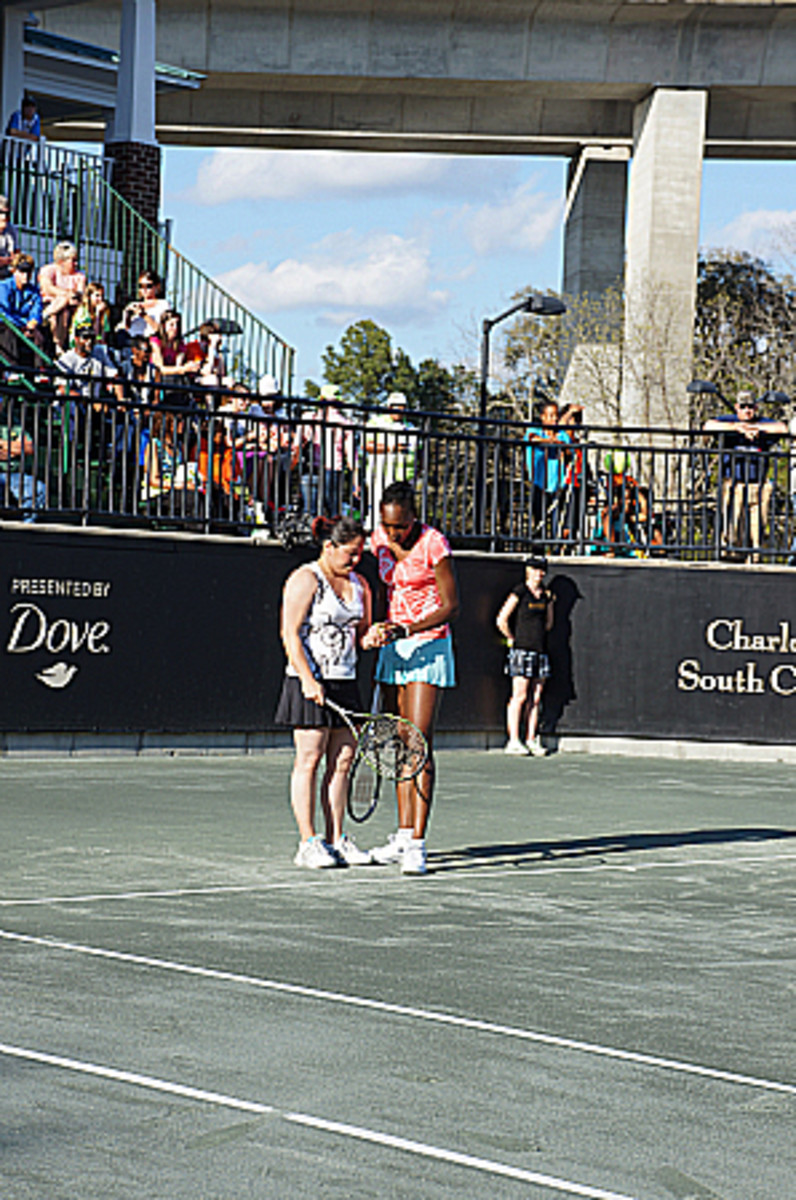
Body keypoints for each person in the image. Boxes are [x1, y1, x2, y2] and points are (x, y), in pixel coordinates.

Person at [275, 514, 385, 869]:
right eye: (350, 553)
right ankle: (308, 842)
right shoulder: (305, 579)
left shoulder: (361, 585)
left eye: (360, 554)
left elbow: (363, 634)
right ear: (329, 547)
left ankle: (337, 839)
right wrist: (308, 679)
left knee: (342, 763)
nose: (356, 560)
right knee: (309, 760)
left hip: (345, 680)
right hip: (307, 681)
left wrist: (373, 636)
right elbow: (289, 634)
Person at [368, 481, 459, 876]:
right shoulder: (379, 541)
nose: (392, 534)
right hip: (394, 648)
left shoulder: (434, 544)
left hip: (428, 646)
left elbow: (452, 605)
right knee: (398, 743)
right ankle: (403, 834)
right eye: (387, 526)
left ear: (413, 518)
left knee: (417, 743)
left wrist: (408, 629)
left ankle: (418, 844)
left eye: (400, 527)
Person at [703, 392, 787, 563]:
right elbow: (708, 426)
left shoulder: (763, 421)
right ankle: (730, 559)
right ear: (737, 408)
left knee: (758, 530)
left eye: (751, 406)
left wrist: (758, 430)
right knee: (732, 528)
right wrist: (737, 428)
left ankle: (754, 560)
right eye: (743, 407)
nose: (747, 410)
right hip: (735, 484)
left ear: (756, 407)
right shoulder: (729, 420)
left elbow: (783, 428)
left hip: (759, 485)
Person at [495, 555, 554, 756]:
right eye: (536, 569)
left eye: (542, 570)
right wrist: (512, 638)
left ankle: (531, 739)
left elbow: (548, 623)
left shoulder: (546, 596)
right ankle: (513, 740)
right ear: (528, 570)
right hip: (522, 650)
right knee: (519, 696)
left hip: (540, 651)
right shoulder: (519, 592)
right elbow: (502, 619)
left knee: (535, 698)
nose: (540, 573)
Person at [364, 391, 417, 528]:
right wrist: (391, 448)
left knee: (402, 509)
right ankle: (374, 534)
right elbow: (367, 445)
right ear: (389, 407)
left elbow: (419, 451)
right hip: (382, 473)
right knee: (378, 505)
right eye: (396, 406)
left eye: (402, 406)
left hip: (405, 476)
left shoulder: (411, 427)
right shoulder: (376, 422)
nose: (399, 410)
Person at [524, 400, 571, 543]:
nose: (554, 419)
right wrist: (553, 442)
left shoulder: (562, 435)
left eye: (555, 416)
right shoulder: (534, 431)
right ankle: (538, 550)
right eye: (550, 416)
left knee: (558, 522)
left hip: (557, 484)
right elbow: (533, 439)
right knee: (539, 520)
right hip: (539, 483)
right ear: (542, 417)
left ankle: (556, 549)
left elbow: (569, 448)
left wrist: (560, 445)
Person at [38, 242, 86, 355]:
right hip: (49, 303)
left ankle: (57, 343)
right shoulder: (48, 270)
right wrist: (66, 294)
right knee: (61, 305)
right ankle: (57, 344)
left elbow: (80, 294)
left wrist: (67, 297)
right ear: (61, 262)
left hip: (69, 307)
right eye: (72, 260)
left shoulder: (79, 276)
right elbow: (47, 288)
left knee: (63, 310)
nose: (76, 263)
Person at [0, 252, 45, 366]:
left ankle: (41, 370)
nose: (25, 275)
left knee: (39, 333)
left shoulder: (33, 291)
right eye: (22, 271)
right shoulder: (4, 287)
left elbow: (36, 310)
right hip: (8, 325)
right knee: (8, 330)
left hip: (23, 325)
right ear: (14, 271)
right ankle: (11, 369)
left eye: (28, 271)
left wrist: (33, 322)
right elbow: (3, 313)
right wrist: (23, 324)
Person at [117, 269, 169, 344]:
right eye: (141, 286)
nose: (144, 289)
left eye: (148, 286)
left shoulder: (163, 304)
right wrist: (127, 315)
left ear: (157, 286)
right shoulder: (134, 304)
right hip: (131, 341)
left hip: (150, 341)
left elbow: (161, 330)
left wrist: (144, 315)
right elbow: (126, 327)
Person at [69, 281, 112, 346]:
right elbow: (86, 334)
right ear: (89, 296)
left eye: (102, 296)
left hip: (95, 344)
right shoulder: (82, 311)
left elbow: (102, 336)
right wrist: (98, 316)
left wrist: (100, 316)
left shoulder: (104, 312)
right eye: (97, 296)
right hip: (80, 344)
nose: (100, 299)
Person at [0, 197, 19, 280]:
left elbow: (15, 254)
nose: (4, 216)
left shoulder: (11, 229)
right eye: (1, 212)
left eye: (7, 213)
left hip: (5, 276)